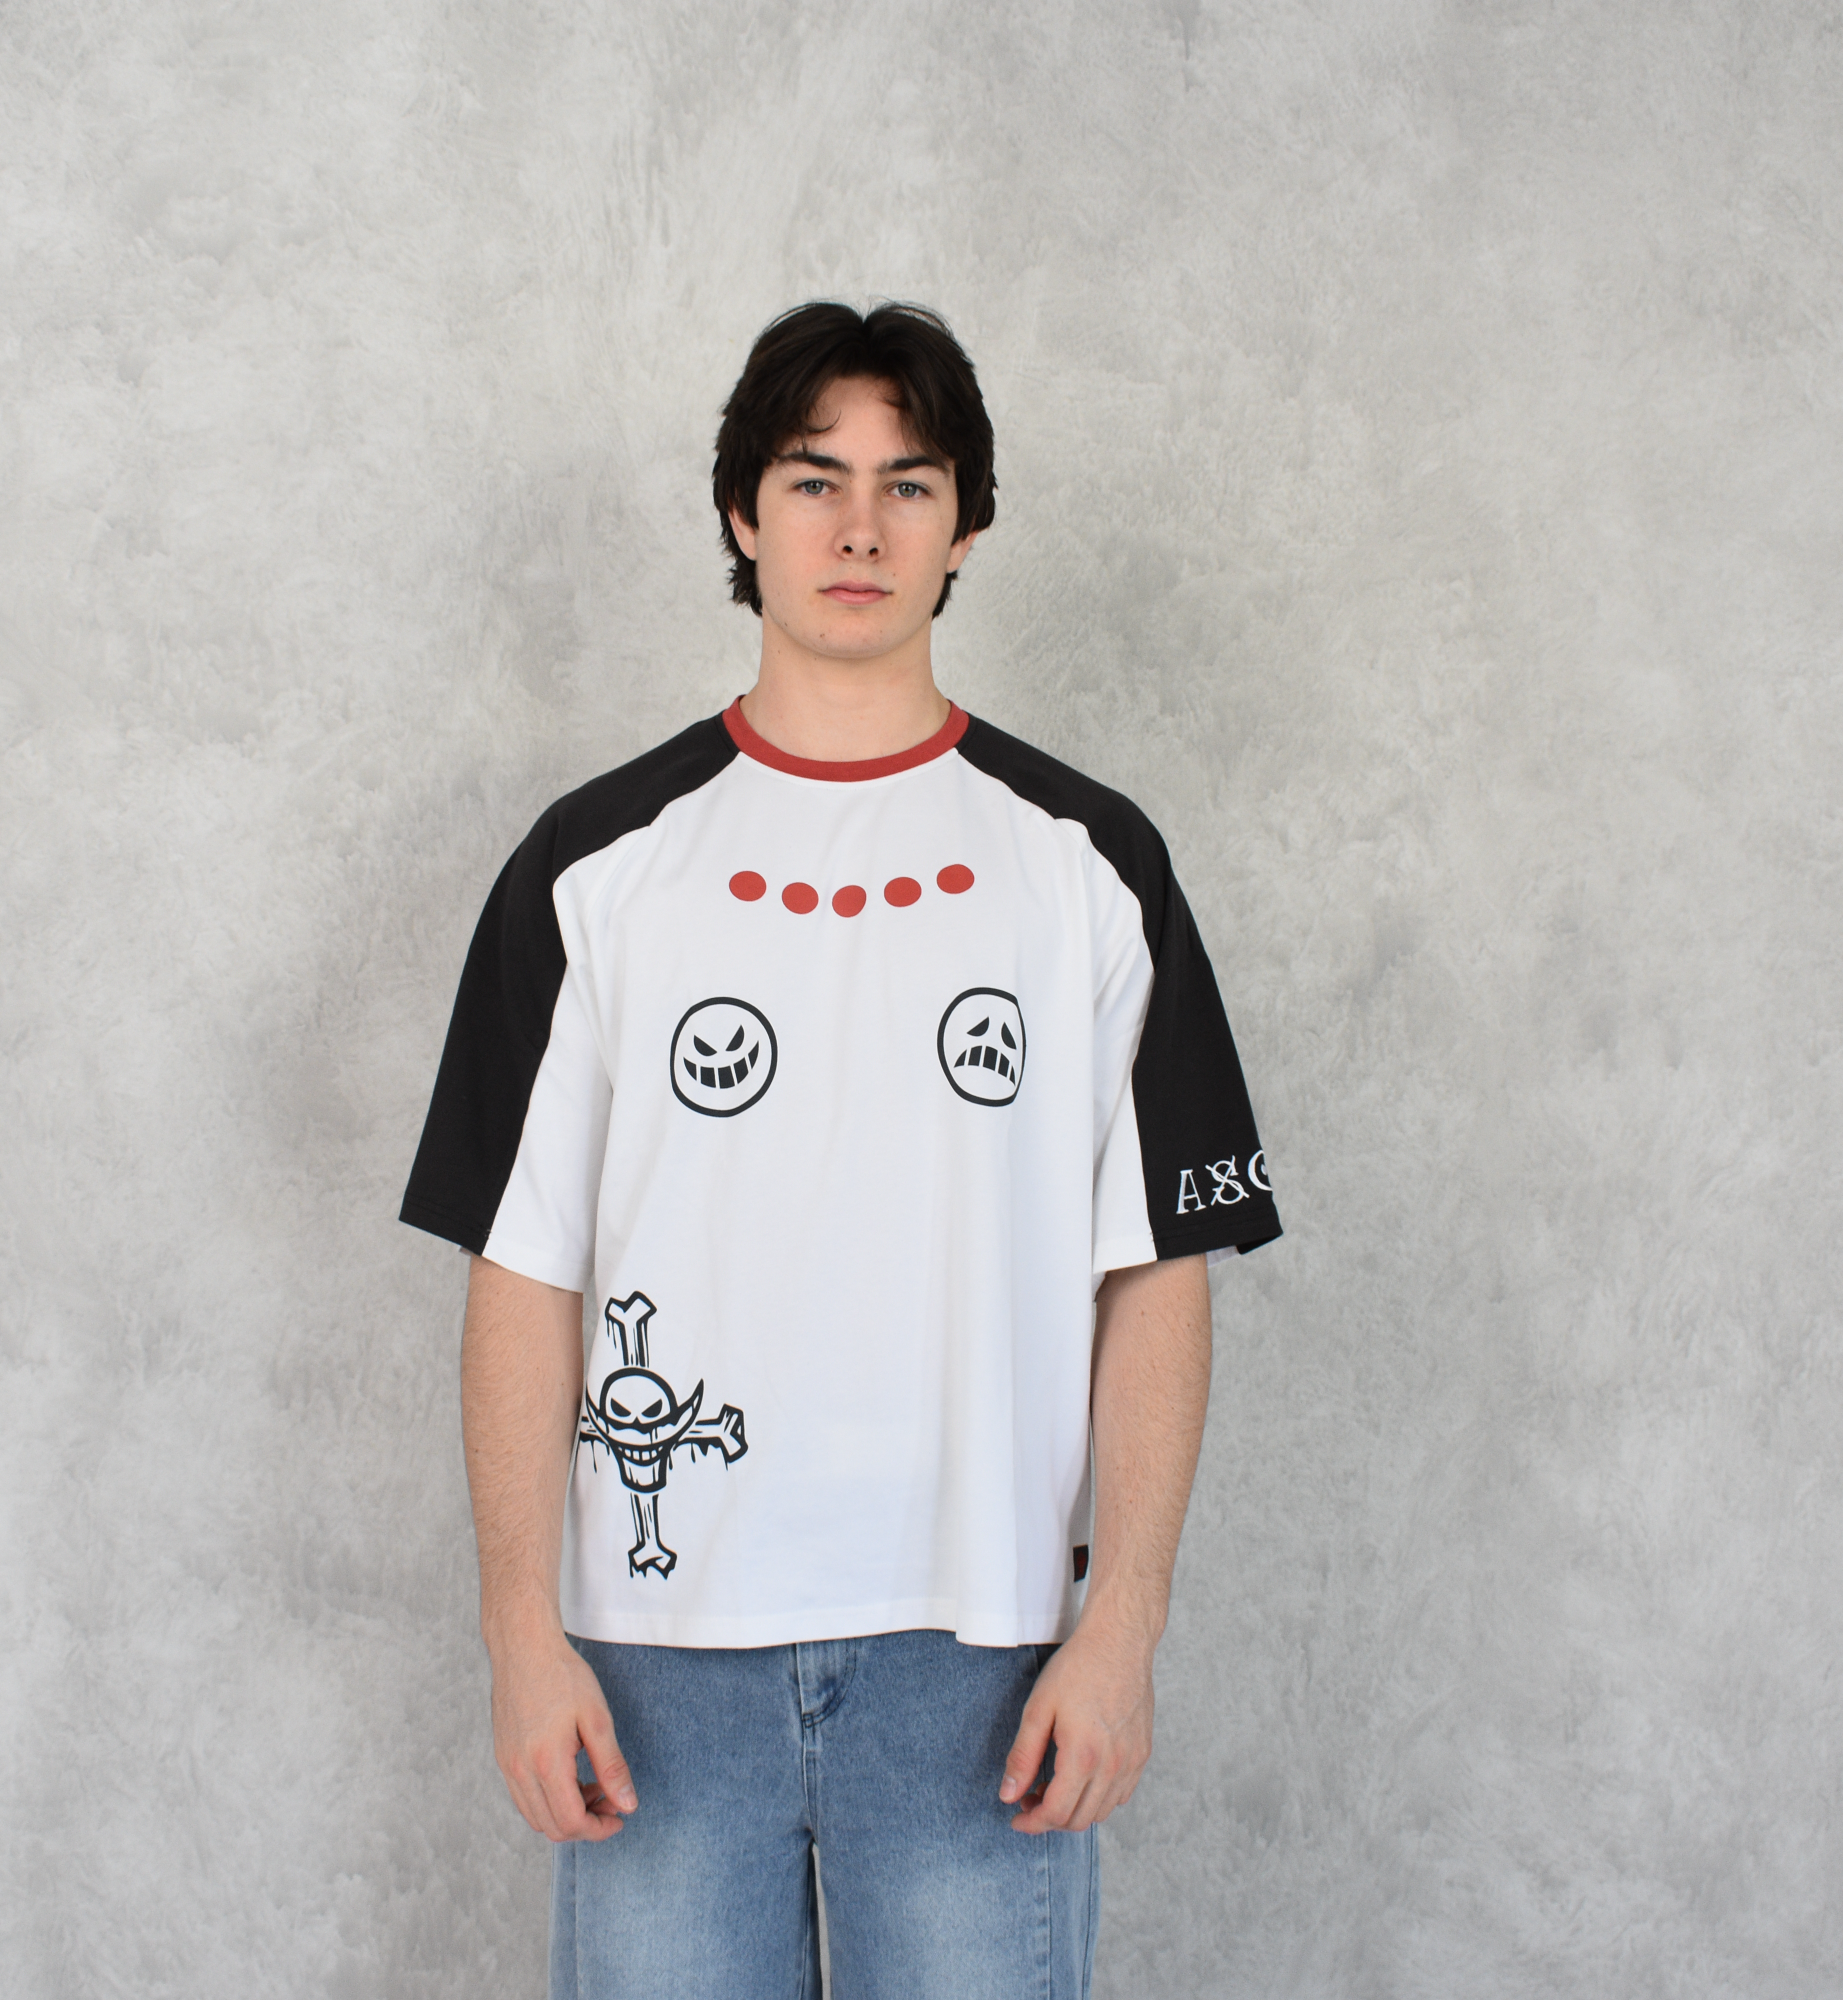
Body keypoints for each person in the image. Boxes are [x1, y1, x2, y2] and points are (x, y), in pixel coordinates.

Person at [400, 301, 1280, 1999]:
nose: (861, 528)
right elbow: (523, 1272)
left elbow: (1155, 1274)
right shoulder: (594, 868)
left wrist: (1125, 1625)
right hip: (657, 1668)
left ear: (967, 526)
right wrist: (519, 1630)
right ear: (744, 514)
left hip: (982, 1663)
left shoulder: (1089, 866)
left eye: (908, 483)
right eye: (815, 481)